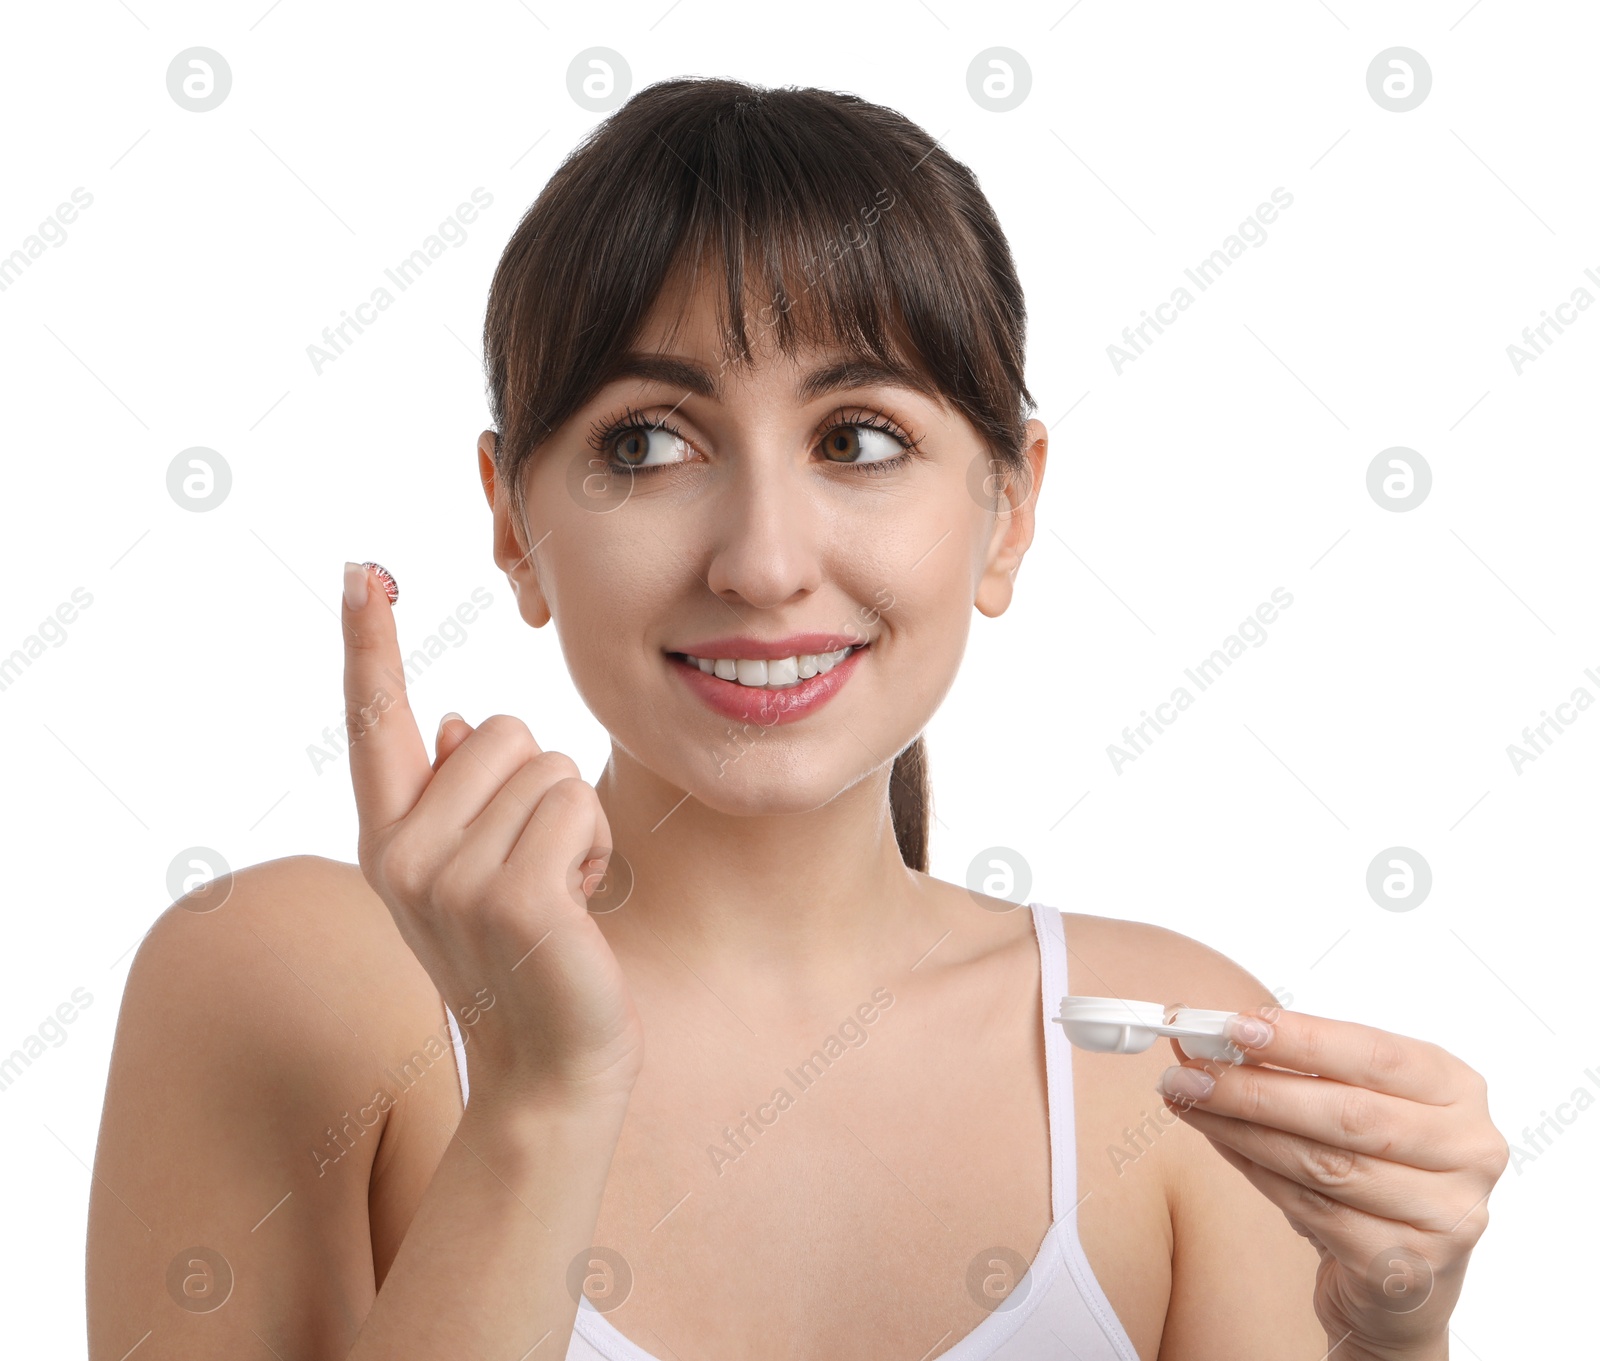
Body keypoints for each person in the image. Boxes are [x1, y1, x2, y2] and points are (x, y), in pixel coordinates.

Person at [87, 77, 1507, 1360]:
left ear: (1008, 512)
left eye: (860, 439)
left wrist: (1394, 1340)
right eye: (648, 441)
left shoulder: (1167, 1073)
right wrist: (539, 1093)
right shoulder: (298, 988)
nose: (763, 561)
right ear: (513, 524)